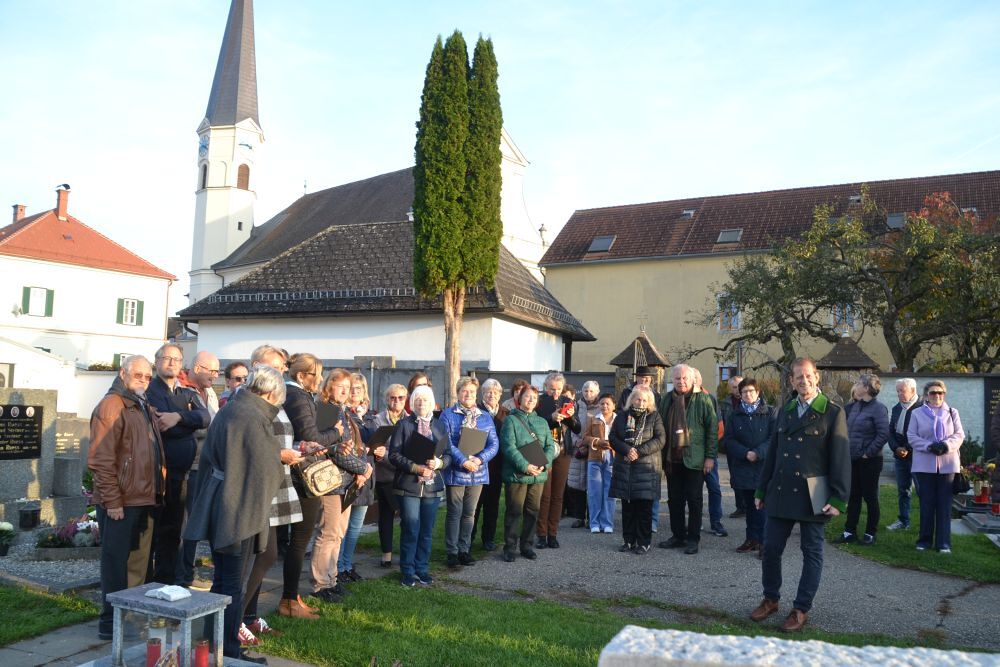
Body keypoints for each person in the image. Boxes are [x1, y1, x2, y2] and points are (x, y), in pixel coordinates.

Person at [183, 365, 286, 663]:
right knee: (231, 585)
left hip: (225, 502)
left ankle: (212, 647)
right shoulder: (251, 416)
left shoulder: (234, 408)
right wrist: (283, 459)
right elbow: (266, 469)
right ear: (270, 393)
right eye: (278, 399)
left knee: (222, 582)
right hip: (237, 508)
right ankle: (228, 653)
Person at [751, 357, 849, 633]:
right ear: (791, 381)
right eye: (798, 377)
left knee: (812, 552)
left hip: (814, 492)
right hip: (781, 490)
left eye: (808, 376)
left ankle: (801, 608)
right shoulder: (786, 410)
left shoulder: (832, 412)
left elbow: (841, 458)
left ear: (816, 377)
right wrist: (761, 488)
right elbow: (773, 453)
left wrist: (838, 498)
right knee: (770, 549)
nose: (803, 381)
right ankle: (771, 599)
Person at [89, 355, 165, 641]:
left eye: (148, 376)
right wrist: (112, 501)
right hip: (122, 499)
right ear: (123, 373)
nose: (144, 380)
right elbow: (101, 459)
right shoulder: (112, 405)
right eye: (138, 375)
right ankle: (110, 623)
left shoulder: (140, 403)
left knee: (139, 564)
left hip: (143, 497)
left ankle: (132, 617)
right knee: (116, 563)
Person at [275, 352, 335, 620]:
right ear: (301, 375)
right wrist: (336, 432)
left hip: (298, 472)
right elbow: (311, 436)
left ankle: (292, 596)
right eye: (316, 375)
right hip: (302, 476)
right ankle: (289, 600)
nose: (320, 380)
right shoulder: (297, 396)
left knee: (299, 539)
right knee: (300, 539)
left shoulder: (295, 394)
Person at [146, 344, 210, 584]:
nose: (172, 362)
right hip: (159, 472)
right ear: (156, 361)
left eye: (177, 359)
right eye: (167, 358)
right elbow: (164, 426)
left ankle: (169, 580)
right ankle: (153, 582)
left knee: (174, 530)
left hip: (182, 473)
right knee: (158, 532)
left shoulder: (186, 393)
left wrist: (179, 417)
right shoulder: (151, 391)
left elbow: (205, 417)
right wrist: (187, 421)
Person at [311, 369, 373, 600]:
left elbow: (356, 446)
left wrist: (362, 469)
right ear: (329, 387)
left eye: (348, 387)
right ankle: (320, 585)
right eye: (341, 386)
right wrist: (363, 469)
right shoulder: (326, 410)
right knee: (328, 533)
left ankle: (332, 579)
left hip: (347, 481)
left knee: (338, 534)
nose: (346, 391)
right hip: (331, 483)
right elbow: (334, 450)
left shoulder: (343, 411)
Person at [389, 385, 450, 586]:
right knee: (411, 529)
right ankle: (407, 570)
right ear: (412, 402)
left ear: (431, 402)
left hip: (432, 486)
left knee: (426, 531)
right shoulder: (404, 425)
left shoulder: (440, 426)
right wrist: (416, 468)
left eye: (425, 399)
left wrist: (439, 463)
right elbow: (394, 455)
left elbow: (448, 454)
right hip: (409, 486)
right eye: (417, 399)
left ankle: (422, 569)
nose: (421, 403)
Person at [657, 364, 718, 555]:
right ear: (672, 380)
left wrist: (710, 457)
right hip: (672, 458)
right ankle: (678, 536)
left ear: (692, 380)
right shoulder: (666, 399)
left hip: (695, 458)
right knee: (674, 500)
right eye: (677, 378)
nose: (681, 382)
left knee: (694, 500)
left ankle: (693, 538)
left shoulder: (704, 399)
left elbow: (712, 430)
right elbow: (660, 428)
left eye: (684, 378)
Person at [441, 376, 499, 567]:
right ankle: (452, 552)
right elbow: (447, 443)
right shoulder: (447, 415)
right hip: (456, 472)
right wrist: (463, 461)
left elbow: (494, 444)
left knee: (469, 514)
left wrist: (479, 459)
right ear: (458, 393)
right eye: (464, 391)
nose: (468, 394)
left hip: (478, 472)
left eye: (472, 391)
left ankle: (464, 550)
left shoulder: (485, 417)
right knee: (454, 513)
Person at [177, 351, 221, 588]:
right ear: (196, 369)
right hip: (191, 465)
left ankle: (188, 571)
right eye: (211, 371)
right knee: (186, 523)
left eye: (217, 371)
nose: (215, 376)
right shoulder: (182, 390)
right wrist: (209, 426)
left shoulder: (209, 392)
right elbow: (187, 425)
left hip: (206, 465)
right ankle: (182, 575)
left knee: (198, 522)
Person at [499, 385, 557, 562]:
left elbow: (550, 446)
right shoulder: (510, 420)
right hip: (518, 475)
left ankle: (527, 546)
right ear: (519, 399)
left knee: (533, 512)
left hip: (538, 475)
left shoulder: (542, 422)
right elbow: (508, 447)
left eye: (534, 397)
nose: (531, 400)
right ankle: (510, 548)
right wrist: (525, 466)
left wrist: (543, 464)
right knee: (514, 511)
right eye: (527, 396)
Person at [907, 380, 964, 554]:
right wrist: (929, 446)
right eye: (933, 393)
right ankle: (924, 541)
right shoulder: (916, 413)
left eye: (940, 393)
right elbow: (911, 436)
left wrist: (946, 445)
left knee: (944, 506)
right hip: (924, 465)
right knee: (927, 504)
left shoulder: (952, 412)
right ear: (926, 395)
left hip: (947, 465)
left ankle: (943, 543)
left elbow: (959, 435)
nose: (937, 396)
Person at [609, 386, 666, 553]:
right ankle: (628, 541)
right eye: (638, 399)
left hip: (646, 468)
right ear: (631, 399)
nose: (641, 402)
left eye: (644, 400)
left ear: (649, 402)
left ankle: (643, 542)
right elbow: (613, 437)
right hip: (625, 467)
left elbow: (660, 439)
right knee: (628, 509)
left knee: (644, 509)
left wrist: (638, 452)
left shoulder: (654, 416)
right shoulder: (621, 416)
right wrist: (627, 450)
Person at [836, 373, 889, 546]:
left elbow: (883, 434)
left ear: (866, 388)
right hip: (853, 459)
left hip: (870, 461)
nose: (856, 386)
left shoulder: (879, 408)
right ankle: (849, 532)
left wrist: (868, 453)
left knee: (870, 496)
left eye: (859, 383)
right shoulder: (855, 406)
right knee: (854, 496)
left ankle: (870, 533)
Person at [723, 378, 773, 555]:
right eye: (744, 392)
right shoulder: (734, 415)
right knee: (750, 506)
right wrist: (745, 453)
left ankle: (765, 542)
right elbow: (728, 440)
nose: (748, 394)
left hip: (763, 466)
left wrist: (758, 453)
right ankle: (751, 539)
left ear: (758, 392)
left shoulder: (769, 412)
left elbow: (773, 438)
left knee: (762, 506)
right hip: (743, 466)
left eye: (751, 391)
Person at [338, 374, 377, 584]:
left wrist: (379, 450)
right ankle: (337, 567)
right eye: (352, 389)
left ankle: (347, 564)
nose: (354, 393)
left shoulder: (370, 416)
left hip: (367, 474)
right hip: (350, 474)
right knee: (342, 526)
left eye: (359, 389)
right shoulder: (342, 414)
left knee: (355, 527)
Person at [535, 372, 581, 549]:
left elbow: (577, 428)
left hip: (563, 451)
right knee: (545, 495)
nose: (555, 393)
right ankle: (541, 534)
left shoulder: (567, 401)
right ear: (546, 387)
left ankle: (553, 534)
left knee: (558, 495)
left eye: (558, 389)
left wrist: (570, 417)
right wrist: (552, 419)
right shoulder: (539, 401)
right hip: (544, 451)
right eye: (552, 389)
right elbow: (536, 425)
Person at [362, 384, 406, 567]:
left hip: (405, 475)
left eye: (400, 397)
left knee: (407, 515)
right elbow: (376, 448)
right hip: (385, 475)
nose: (396, 401)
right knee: (386, 514)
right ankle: (386, 554)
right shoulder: (377, 420)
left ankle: (405, 552)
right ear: (387, 399)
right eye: (393, 397)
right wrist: (393, 457)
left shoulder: (410, 419)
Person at [472, 378, 508, 551]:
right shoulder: (475, 411)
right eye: (488, 392)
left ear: (500, 394)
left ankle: (488, 539)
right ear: (482, 394)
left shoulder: (506, 413)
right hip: (478, 466)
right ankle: (468, 539)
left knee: (492, 505)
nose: (491, 395)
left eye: (495, 392)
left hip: (497, 467)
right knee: (475, 506)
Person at [693, 368, 727, 537]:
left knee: (714, 489)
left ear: (699, 381)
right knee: (693, 492)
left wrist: (709, 453)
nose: (692, 381)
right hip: (691, 455)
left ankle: (716, 522)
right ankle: (695, 521)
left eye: (694, 378)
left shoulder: (710, 399)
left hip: (708, 454)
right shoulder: (682, 399)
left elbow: (718, 429)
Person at [887, 379, 922, 531]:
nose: (899, 394)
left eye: (902, 390)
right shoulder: (896, 408)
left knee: (921, 491)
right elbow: (890, 431)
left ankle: (925, 524)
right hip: (900, 456)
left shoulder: (922, 407)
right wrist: (896, 448)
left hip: (917, 456)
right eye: (898, 391)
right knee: (903, 490)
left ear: (913, 391)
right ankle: (903, 521)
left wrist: (907, 448)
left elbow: (921, 432)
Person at [583, 393, 617, 533]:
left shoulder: (619, 420)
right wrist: (597, 441)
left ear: (614, 405)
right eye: (602, 403)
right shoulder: (593, 419)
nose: (604, 406)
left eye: (608, 403)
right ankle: (594, 523)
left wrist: (613, 444)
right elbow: (585, 438)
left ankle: (607, 523)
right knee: (594, 491)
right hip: (595, 458)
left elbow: (624, 438)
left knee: (610, 491)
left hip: (613, 457)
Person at [720, 375, 747, 519]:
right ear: (730, 389)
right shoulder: (725, 404)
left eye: (740, 386)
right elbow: (721, 425)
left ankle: (753, 505)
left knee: (752, 475)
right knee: (735, 477)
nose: (738, 389)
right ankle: (740, 507)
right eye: (735, 387)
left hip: (749, 445)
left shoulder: (753, 400)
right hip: (733, 446)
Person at [563, 384, 590, 528]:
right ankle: (579, 517)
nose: (588, 393)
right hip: (577, 450)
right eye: (585, 390)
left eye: (591, 391)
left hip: (593, 451)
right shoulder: (576, 406)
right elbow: (570, 428)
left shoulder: (601, 406)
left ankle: (592, 517)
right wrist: (577, 443)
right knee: (577, 485)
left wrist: (589, 444)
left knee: (592, 486)